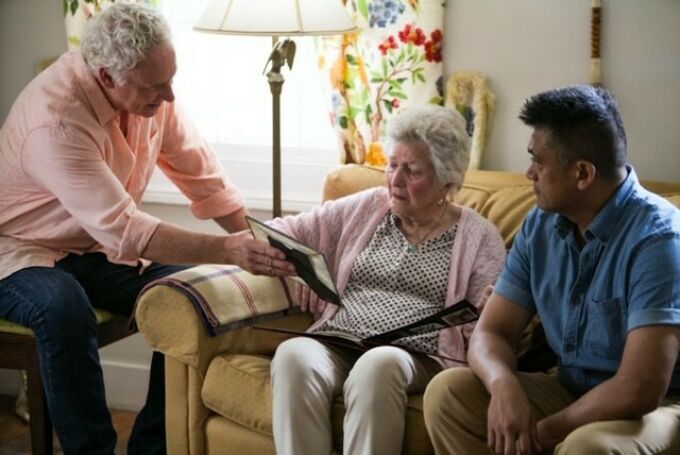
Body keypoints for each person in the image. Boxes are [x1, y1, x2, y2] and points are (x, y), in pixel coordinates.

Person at [0, 4, 294, 454]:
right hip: (21, 252)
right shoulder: (55, 120)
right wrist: (230, 250)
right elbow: (127, 230)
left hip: (94, 248)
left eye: (171, 80)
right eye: (157, 86)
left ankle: (152, 448)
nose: (170, 97)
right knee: (65, 309)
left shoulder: (151, 98)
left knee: (188, 292)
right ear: (106, 76)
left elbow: (204, 177)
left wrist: (261, 241)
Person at [423, 85, 680, 454]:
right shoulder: (540, 225)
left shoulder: (659, 241)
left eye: (538, 162)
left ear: (582, 174)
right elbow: (491, 332)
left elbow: (640, 388)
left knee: (586, 446)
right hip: (569, 388)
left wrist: (545, 431)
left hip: (659, 406)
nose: (529, 173)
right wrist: (503, 387)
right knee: (449, 393)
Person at [268, 105, 507, 455]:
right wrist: (303, 276)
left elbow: (489, 328)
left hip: (416, 355)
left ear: (446, 181)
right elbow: (281, 232)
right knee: (293, 356)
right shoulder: (367, 207)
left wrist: (487, 313)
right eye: (393, 165)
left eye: (412, 171)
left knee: (377, 365)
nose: (395, 180)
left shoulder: (479, 238)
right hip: (341, 340)